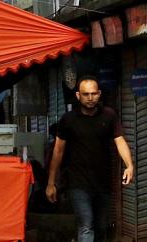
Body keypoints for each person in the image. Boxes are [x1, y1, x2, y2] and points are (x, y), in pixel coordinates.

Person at [46, 76, 134, 242]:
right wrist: (51, 183)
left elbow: (120, 141)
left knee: (101, 226)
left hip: (103, 182)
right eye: (86, 94)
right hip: (77, 183)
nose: (90, 98)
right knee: (86, 225)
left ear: (99, 94)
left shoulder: (109, 116)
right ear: (78, 96)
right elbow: (58, 152)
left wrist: (129, 165)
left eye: (94, 93)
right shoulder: (68, 120)